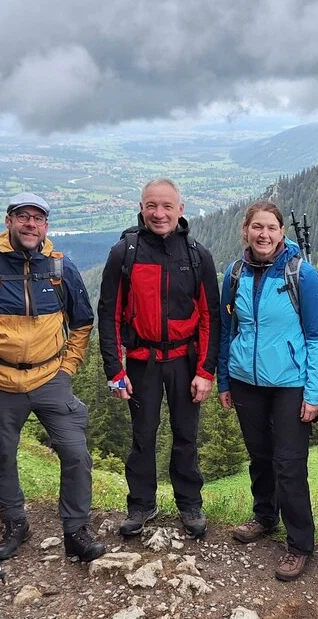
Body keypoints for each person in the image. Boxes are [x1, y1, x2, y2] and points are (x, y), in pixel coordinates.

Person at [0, 191, 105, 564]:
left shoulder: (59, 268)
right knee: (1, 454)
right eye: (23, 217)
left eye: (38, 218)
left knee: (75, 452)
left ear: (46, 226)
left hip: (49, 377)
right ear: (9, 221)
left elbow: (83, 322)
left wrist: (67, 368)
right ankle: (15, 523)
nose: (30, 224)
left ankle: (75, 530)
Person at [97, 178, 221, 539]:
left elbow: (210, 317)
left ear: (181, 209)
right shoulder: (125, 253)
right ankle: (141, 505)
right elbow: (109, 314)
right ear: (141, 208)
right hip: (141, 362)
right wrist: (114, 370)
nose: (159, 213)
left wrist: (206, 371)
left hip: (185, 361)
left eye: (167, 206)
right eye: (152, 205)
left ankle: (189, 504)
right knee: (142, 435)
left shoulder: (197, 256)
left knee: (186, 435)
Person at [217, 200, 318, 581]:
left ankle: (300, 543)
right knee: (259, 455)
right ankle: (265, 516)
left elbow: (317, 338)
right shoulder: (234, 275)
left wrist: (314, 394)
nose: (263, 234)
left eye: (271, 228)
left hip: (290, 385)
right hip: (246, 381)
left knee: (289, 464)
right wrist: (225, 380)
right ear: (245, 231)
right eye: (257, 227)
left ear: (282, 233)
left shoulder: (302, 276)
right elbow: (227, 333)